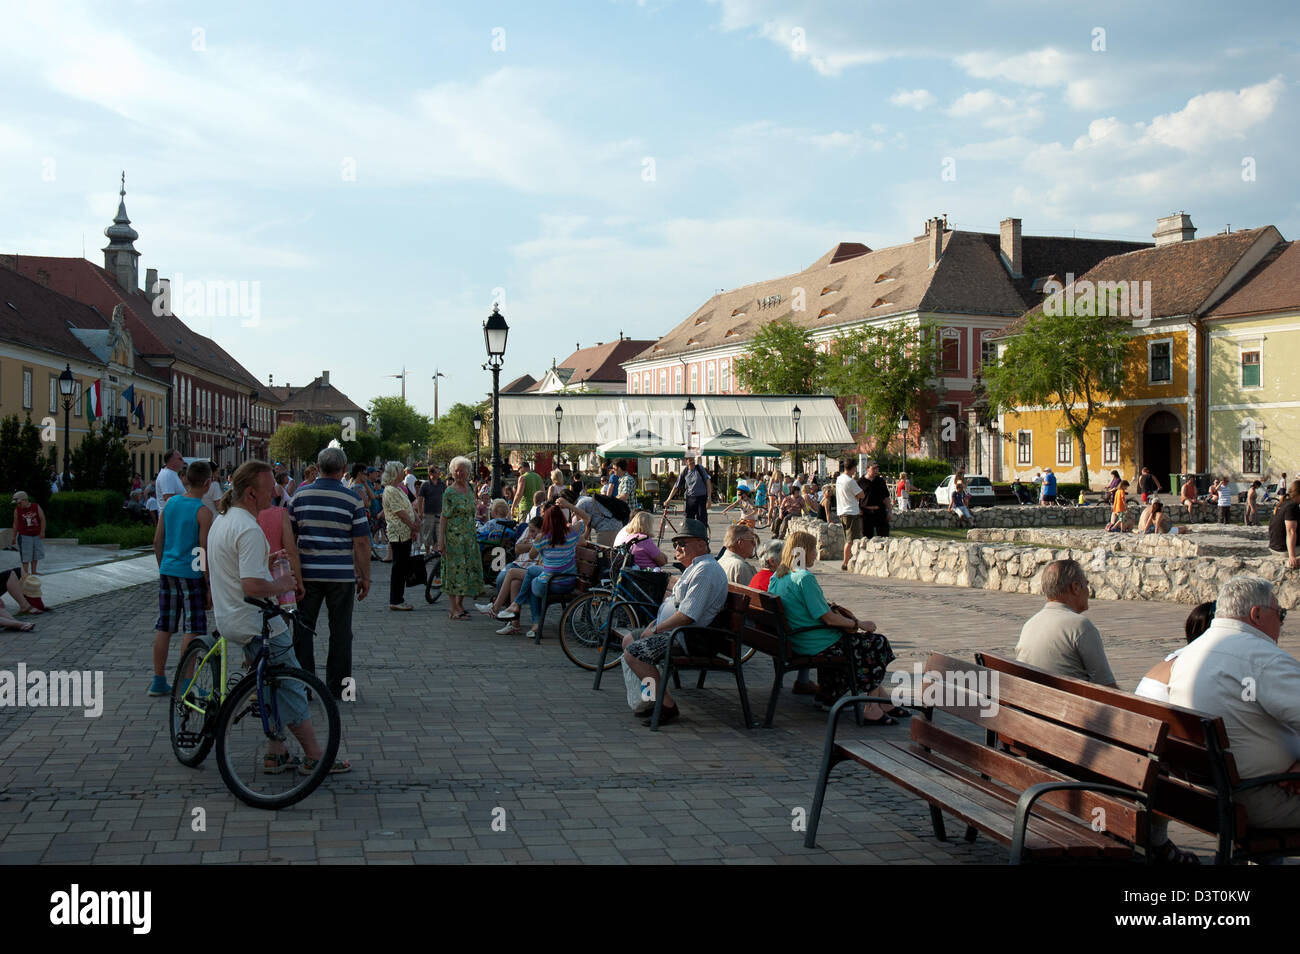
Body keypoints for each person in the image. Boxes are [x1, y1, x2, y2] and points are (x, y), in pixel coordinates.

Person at [205, 459, 350, 774]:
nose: (275, 493)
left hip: (230, 619)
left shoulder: (224, 519)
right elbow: (251, 585)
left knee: (268, 685)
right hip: (258, 622)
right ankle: (314, 755)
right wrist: (282, 583)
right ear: (250, 493)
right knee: (291, 686)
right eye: (269, 489)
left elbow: (233, 567)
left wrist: (265, 560)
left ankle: (276, 750)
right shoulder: (248, 528)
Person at [1169, 576, 1300, 829]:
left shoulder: (1189, 654)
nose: (1282, 623)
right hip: (1257, 797)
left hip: (1205, 793)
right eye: (1280, 614)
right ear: (1257, 614)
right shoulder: (1262, 658)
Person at [766, 530, 897, 718]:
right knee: (877, 644)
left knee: (861, 646)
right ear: (803, 551)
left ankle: (867, 701)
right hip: (814, 643)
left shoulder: (778, 576)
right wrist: (858, 623)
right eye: (812, 550)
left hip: (795, 640)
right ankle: (872, 708)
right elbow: (828, 618)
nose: (815, 554)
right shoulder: (803, 578)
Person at [621, 519, 728, 726]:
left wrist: (656, 629)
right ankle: (651, 699)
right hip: (677, 632)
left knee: (634, 653)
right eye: (675, 544)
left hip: (689, 637)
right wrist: (654, 625)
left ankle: (666, 705)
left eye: (682, 543)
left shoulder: (705, 571)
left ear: (701, 544)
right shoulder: (696, 567)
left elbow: (688, 615)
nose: (677, 547)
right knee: (628, 640)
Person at [288, 446, 371, 699]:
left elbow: (290, 538)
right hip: (340, 575)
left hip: (307, 574)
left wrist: (293, 573)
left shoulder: (299, 497)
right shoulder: (352, 499)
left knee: (303, 630)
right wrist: (364, 575)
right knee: (341, 632)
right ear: (344, 469)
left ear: (318, 467)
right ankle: (340, 687)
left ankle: (304, 685)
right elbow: (361, 542)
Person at [147, 461, 214, 696]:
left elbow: (157, 541)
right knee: (192, 628)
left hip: (168, 570)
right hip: (191, 574)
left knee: (164, 626)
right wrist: (207, 583)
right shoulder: (203, 512)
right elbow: (202, 550)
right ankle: (187, 684)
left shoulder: (171, 503)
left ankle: (158, 679)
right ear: (207, 483)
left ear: (186, 479)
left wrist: (163, 565)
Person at [1013, 559, 1118, 687]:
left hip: (1030, 702)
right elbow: (1107, 687)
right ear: (1075, 587)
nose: (1088, 591)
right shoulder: (1080, 626)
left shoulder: (1029, 625)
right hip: (1066, 705)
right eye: (1086, 583)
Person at [496, 499, 586, 639]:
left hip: (551, 582)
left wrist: (537, 541)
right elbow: (587, 517)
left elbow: (531, 556)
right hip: (569, 580)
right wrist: (568, 505)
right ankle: (520, 610)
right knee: (532, 573)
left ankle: (524, 613)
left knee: (533, 581)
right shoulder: (572, 532)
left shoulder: (543, 538)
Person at [439, 456, 481, 620]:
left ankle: (460, 603)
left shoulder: (471, 488)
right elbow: (444, 517)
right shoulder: (449, 492)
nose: (459, 473)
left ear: (468, 472)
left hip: (469, 537)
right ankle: (453, 608)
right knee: (454, 571)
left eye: (462, 470)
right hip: (454, 538)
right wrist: (441, 540)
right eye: (456, 470)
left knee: (467, 570)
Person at [380, 460, 419, 611]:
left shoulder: (399, 489)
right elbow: (400, 512)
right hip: (398, 533)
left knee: (401, 566)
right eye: (402, 470)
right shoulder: (390, 490)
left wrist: (415, 523)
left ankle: (398, 598)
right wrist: (412, 525)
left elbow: (408, 507)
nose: (404, 472)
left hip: (405, 533)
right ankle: (396, 599)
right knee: (399, 567)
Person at [664, 454, 713, 526]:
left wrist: (709, 498)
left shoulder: (699, 468)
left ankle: (703, 536)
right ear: (686, 461)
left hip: (701, 497)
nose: (692, 461)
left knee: (702, 520)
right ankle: (691, 536)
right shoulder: (685, 472)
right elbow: (676, 487)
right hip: (690, 499)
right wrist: (668, 499)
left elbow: (708, 482)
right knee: (689, 520)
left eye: (693, 459)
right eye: (690, 460)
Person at [835, 459, 865, 571]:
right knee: (851, 539)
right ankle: (845, 563)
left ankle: (847, 560)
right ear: (853, 468)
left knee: (848, 538)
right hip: (851, 512)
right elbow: (861, 494)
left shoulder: (839, 479)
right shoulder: (850, 481)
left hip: (842, 511)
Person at [10, 492, 46, 576]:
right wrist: (13, 536)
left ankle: (34, 571)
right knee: (26, 556)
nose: (18, 505)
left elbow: (42, 519)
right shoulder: (17, 510)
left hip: (36, 535)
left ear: (25, 500)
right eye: (17, 503)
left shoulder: (35, 507)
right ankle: (25, 573)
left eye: (19, 503)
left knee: (35, 554)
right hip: (24, 536)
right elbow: (15, 523)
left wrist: (42, 531)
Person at [1268, 479, 1300, 570]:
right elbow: (1290, 531)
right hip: (1283, 549)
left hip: (1274, 547)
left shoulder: (1284, 503)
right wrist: (1292, 556)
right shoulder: (1292, 507)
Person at [417, 464, 446, 554]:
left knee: (439, 534)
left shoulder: (442, 484)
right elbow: (420, 499)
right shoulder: (425, 485)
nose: (439, 474)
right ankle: (427, 553)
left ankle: (437, 551)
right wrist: (420, 512)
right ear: (431, 473)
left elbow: (446, 497)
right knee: (428, 534)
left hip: (440, 513)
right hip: (428, 513)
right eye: (437, 472)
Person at [859, 463, 890, 538]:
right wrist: (858, 509)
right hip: (866, 513)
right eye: (873, 468)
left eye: (877, 468)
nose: (876, 470)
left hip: (880, 512)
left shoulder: (880, 481)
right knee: (867, 537)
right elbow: (855, 498)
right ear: (867, 469)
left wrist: (890, 511)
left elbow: (886, 497)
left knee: (884, 536)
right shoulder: (860, 482)